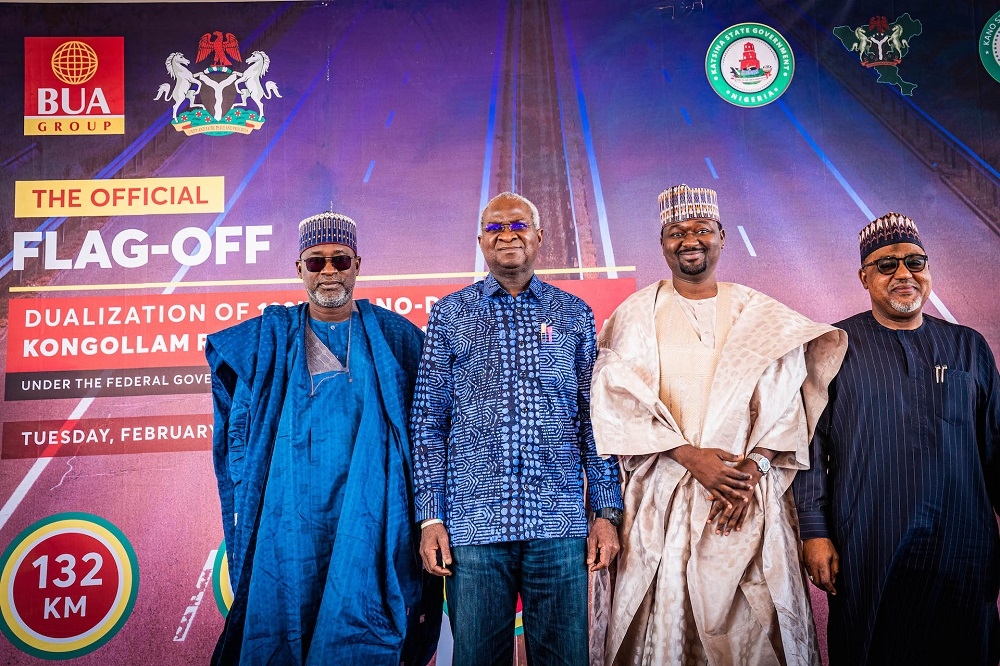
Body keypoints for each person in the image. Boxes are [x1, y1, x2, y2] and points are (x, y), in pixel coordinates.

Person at [591, 184, 847, 666]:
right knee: (665, 636)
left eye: (702, 229)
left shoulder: (759, 313)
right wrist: (691, 458)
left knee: (752, 635)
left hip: (744, 503)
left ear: (723, 236)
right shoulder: (632, 317)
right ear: (662, 243)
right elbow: (615, 402)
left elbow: (787, 403)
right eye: (676, 232)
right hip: (663, 503)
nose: (690, 240)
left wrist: (752, 471)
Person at [206, 212, 441, 665]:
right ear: (299, 269)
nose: (328, 271)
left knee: (365, 621)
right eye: (316, 262)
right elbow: (233, 402)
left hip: (372, 518)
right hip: (290, 520)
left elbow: (433, 421)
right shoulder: (271, 338)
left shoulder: (397, 337)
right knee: (284, 619)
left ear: (357, 265)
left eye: (340, 260)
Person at [410, 191, 624, 666]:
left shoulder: (573, 314)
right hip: (474, 526)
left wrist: (606, 512)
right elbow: (427, 422)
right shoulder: (451, 314)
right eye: (495, 228)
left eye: (518, 225)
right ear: (481, 242)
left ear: (540, 236)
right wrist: (430, 518)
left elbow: (596, 420)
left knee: (565, 659)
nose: (507, 236)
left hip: (559, 524)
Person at [793, 212, 1000, 665]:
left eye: (915, 262)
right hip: (869, 542)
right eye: (887, 265)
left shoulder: (969, 347)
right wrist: (814, 531)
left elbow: (995, 448)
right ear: (864, 277)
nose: (904, 274)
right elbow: (808, 446)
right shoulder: (833, 346)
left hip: (962, 544)